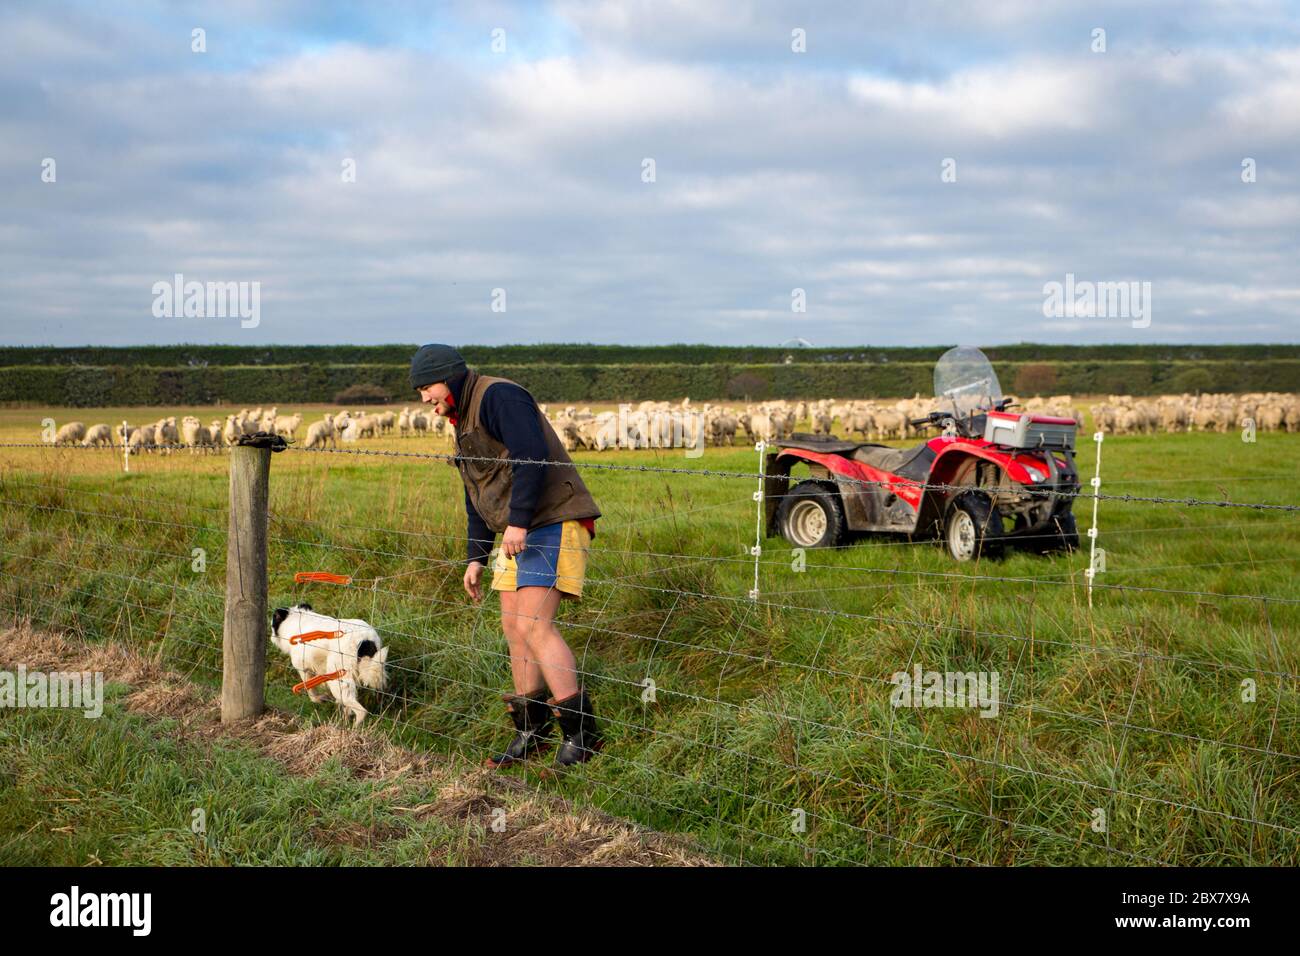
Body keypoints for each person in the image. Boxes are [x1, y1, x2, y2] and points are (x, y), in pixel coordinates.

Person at [410, 344, 603, 767]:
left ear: (450, 376)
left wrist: (517, 523)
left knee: (536, 625)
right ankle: (531, 733)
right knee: (514, 628)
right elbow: (477, 491)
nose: (424, 398)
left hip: (554, 518)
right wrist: (476, 556)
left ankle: (583, 735)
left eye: (427, 387)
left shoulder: (499, 396)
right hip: (520, 528)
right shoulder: (462, 421)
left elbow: (530, 458)